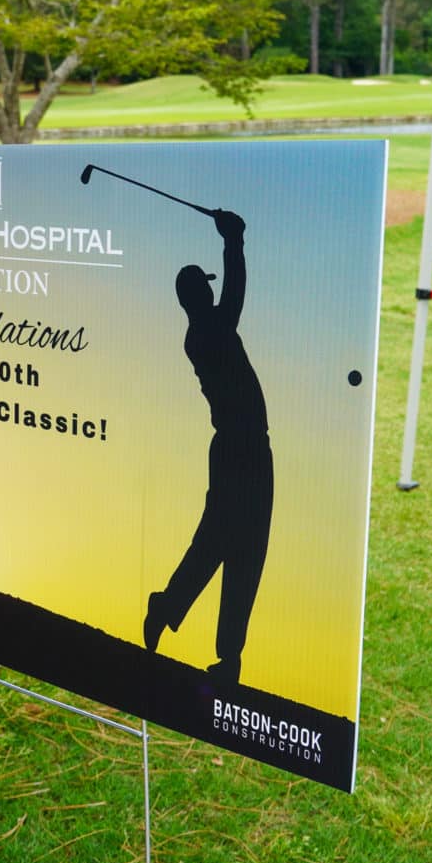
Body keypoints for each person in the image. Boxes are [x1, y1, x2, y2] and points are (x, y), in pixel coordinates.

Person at [143, 209, 273, 685]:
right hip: (241, 450)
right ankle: (173, 609)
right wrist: (233, 239)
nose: (213, 294)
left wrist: (233, 239)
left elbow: (229, 297)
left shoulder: (205, 330)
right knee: (225, 541)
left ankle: (226, 656)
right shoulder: (208, 332)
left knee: (244, 548)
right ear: (199, 295)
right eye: (206, 288)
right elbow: (235, 293)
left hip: (246, 448)